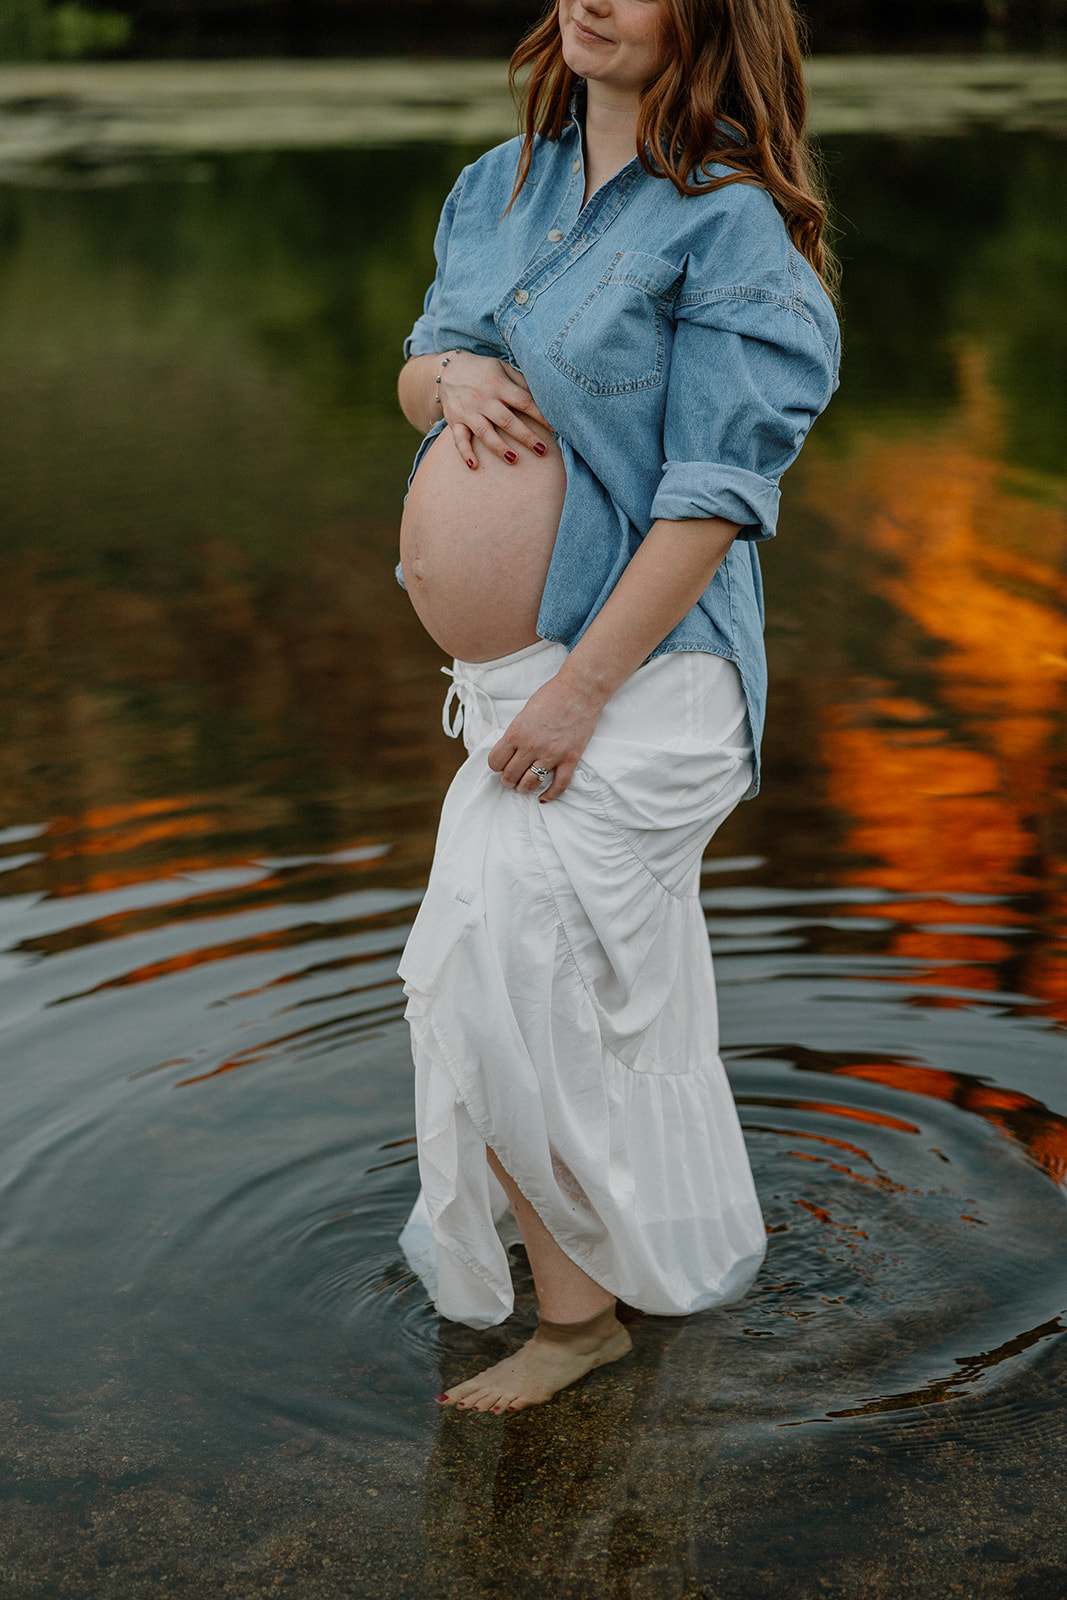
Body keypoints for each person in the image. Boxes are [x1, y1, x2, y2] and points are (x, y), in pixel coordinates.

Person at [394, 0, 839, 1414]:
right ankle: (641, 1266)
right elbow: (422, 373)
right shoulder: (500, 185)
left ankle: (580, 1324)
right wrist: (448, 377)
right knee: (534, 988)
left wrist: (585, 693)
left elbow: (714, 500)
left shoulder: (730, 227)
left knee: (501, 968)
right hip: (517, 684)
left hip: (650, 686)